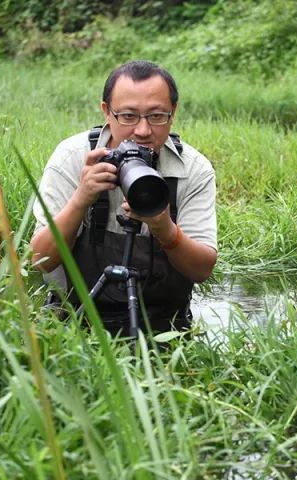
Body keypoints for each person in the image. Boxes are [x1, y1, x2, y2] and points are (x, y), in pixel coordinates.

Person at [30, 60, 217, 336]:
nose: (142, 131)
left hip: (165, 324)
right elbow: (39, 259)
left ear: (173, 112)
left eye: (156, 116)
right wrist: (81, 199)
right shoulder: (72, 157)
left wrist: (165, 229)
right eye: (128, 116)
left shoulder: (192, 170)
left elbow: (202, 269)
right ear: (107, 112)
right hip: (73, 319)